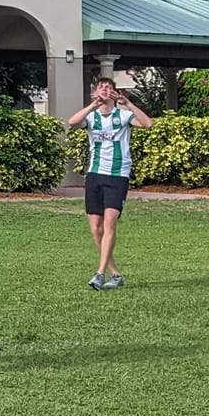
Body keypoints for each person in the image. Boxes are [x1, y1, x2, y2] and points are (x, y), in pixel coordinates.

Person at [66, 76, 152, 290]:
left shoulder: (123, 116)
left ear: (115, 93)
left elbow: (148, 124)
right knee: (96, 228)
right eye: (101, 87)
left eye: (109, 87)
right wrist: (93, 104)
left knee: (109, 224)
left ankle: (99, 273)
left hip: (117, 176)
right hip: (95, 175)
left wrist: (128, 103)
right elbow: (72, 122)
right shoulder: (92, 117)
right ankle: (116, 274)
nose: (104, 89)